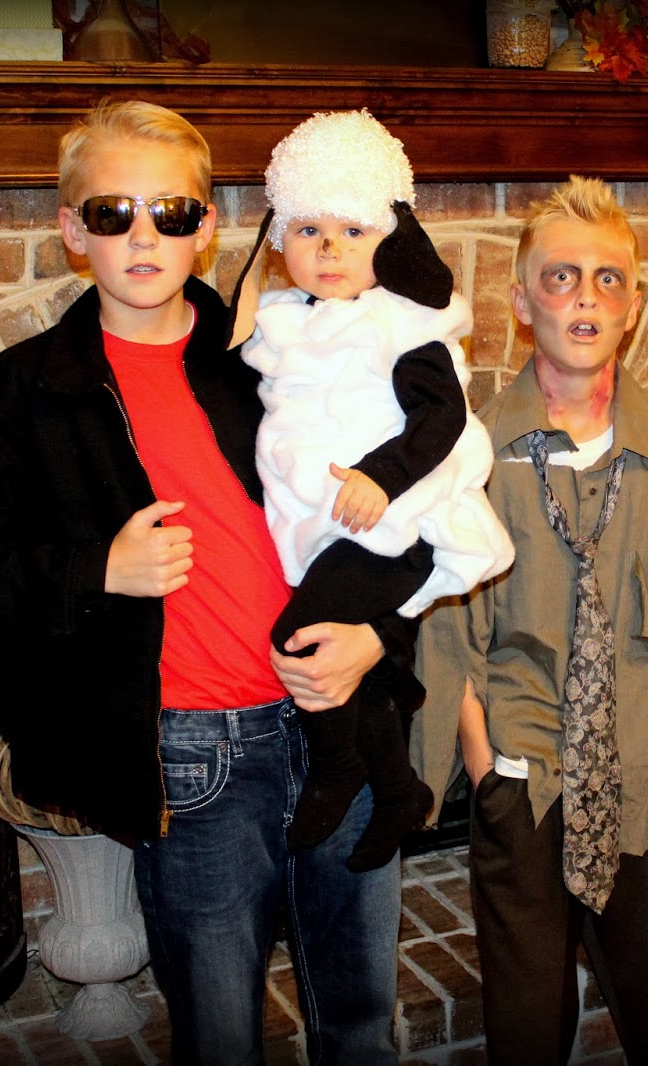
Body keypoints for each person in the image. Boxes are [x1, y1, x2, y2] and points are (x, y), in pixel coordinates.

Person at [0, 100, 406, 1065]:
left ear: (206, 226)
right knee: (220, 1036)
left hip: (340, 721)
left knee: (361, 1024)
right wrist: (99, 570)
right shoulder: (15, 398)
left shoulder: (283, 358)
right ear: (72, 229)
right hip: (189, 757)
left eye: (171, 213)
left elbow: (403, 515)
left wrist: (379, 637)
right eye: (113, 213)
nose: (144, 236)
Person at [414, 175, 648, 1065]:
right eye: (561, 278)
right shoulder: (477, 452)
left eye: (609, 280)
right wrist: (484, 763)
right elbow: (451, 622)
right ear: (523, 303)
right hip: (526, 769)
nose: (586, 298)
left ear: (633, 308)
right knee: (527, 1022)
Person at [242, 109, 513, 873]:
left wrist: (380, 479)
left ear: (388, 240)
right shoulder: (283, 321)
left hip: (399, 523)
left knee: (300, 638)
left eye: (352, 231)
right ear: (280, 239)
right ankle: (398, 788)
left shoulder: (401, 323)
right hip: (332, 527)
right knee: (351, 660)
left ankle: (340, 767)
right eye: (308, 230)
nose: (328, 249)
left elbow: (442, 416)